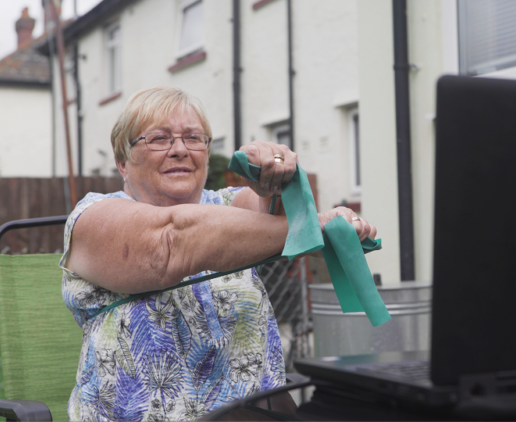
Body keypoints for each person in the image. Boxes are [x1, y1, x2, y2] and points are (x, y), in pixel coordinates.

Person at [59, 86, 376, 421]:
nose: (180, 149)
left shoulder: (228, 205)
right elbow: (174, 240)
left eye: (194, 138)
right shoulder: (92, 218)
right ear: (123, 160)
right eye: (159, 139)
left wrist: (274, 173)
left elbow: (278, 214)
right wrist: (309, 231)